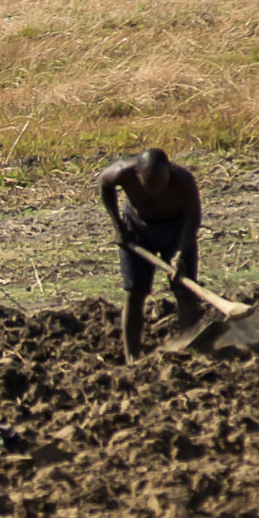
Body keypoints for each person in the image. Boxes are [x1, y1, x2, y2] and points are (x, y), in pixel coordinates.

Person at [98, 148, 202, 362]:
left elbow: (193, 218)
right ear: (137, 174)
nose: (155, 191)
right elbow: (104, 185)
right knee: (134, 293)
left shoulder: (184, 180)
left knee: (184, 291)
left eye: (161, 186)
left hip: (177, 231)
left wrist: (181, 254)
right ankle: (132, 358)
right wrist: (118, 226)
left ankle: (190, 347)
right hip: (136, 231)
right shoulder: (121, 173)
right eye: (150, 186)